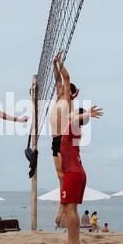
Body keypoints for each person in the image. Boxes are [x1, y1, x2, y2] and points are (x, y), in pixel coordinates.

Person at [58, 55, 104, 244]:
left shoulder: (73, 126)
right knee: (72, 210)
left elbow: (77, 118)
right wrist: (58, 65)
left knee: (69, 210)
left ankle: (72, 243)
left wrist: (87, 114)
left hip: (74, 174)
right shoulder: (73, 130)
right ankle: (75, 243)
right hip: (78, 173)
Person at [50, 52, 80, 226]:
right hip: (55, 140)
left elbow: (65, 78)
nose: (59, 87)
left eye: (62, 87)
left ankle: (63, 208)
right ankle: (63, 205)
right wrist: (54, 65)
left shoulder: (67, 99)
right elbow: (58, 80)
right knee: (60, 177)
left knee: (66, 176)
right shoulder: (59, 99)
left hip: (63, 139)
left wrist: (60, 63)